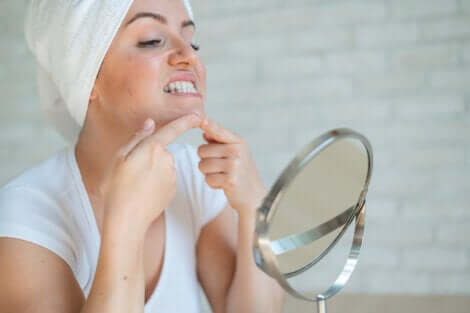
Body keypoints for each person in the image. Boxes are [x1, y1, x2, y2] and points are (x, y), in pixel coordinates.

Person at [0, 0, 284, 312]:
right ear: (87, 77)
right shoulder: (24, 217)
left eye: (192, 41)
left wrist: (255, 207)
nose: (190, 56)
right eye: (152, 40)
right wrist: (126, 225)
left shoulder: (193, 172)